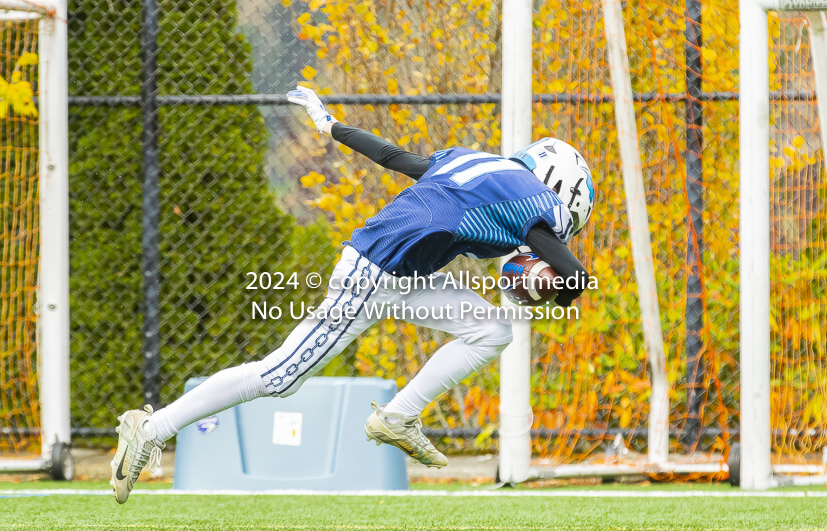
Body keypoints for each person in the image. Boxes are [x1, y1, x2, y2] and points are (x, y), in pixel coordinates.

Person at [109, 86, 595, 504]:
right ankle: (150, 429)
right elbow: (573, 273)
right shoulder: (536, 202)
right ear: (561, 189)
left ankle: (399, 417)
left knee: (490, 329)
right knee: (279, 376)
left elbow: (394, 157)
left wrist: (332, 125)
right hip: (374, 273)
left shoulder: (475, 162)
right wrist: (554, 286)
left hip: (406, 274)